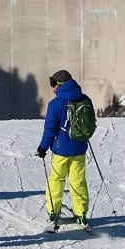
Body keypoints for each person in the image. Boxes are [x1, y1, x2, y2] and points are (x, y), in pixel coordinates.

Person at [36, 69, 91, 226]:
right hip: (80, 148)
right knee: (78, 181)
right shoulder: (85, 99)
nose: (52, 87)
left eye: (53, 83)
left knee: (57, 179)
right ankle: (81, 214)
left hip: (61, 150)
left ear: (59, 85)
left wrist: (42, 148)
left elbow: (50, 130)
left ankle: (53, 211)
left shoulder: (55, 104)